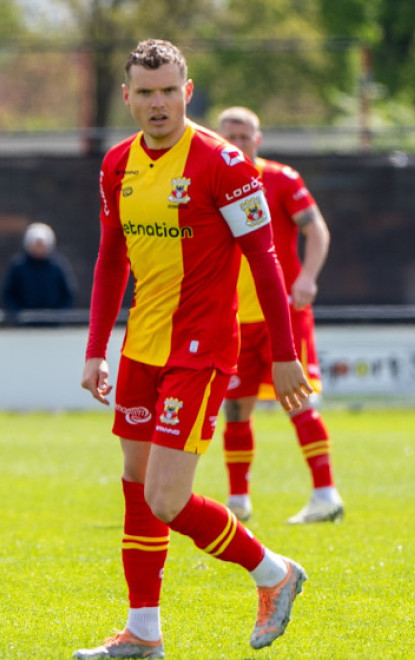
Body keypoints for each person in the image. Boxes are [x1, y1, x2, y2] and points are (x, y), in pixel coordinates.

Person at [76, 39, 312, 659]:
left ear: (188, 89)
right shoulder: (117, 162)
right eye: (145, 92)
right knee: (134, 482)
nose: (158, 103)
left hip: (202, 347)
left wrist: (285, 350)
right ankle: (143, 633)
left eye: (169, 90)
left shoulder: (225, 162)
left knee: (166, 497)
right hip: (141, 345)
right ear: (127, 95)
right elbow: (111, 259)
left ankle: (273, 572)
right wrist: (96, 348)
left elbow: (265, 262)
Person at [215, 106, 342, 525]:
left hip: (282, 315)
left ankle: (326, 495)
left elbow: (317, 229)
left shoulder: (281, 179)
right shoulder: (208, 183)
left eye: (244, 135)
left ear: (258, 139)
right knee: (234, 408)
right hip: (233, 321)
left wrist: (307, 277)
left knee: (298, 401)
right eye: (228, 135)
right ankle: (238, 502)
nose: (236, 142)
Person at [0, 222, 76, 324]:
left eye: (42, 245)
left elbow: (69, 294)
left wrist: (59, 316)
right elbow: (8, 294)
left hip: (54, 327)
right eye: (36, 244)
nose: (39, 248)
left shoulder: (59, 265)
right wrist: (19, 315)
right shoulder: (17, 265)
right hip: (25, 328)